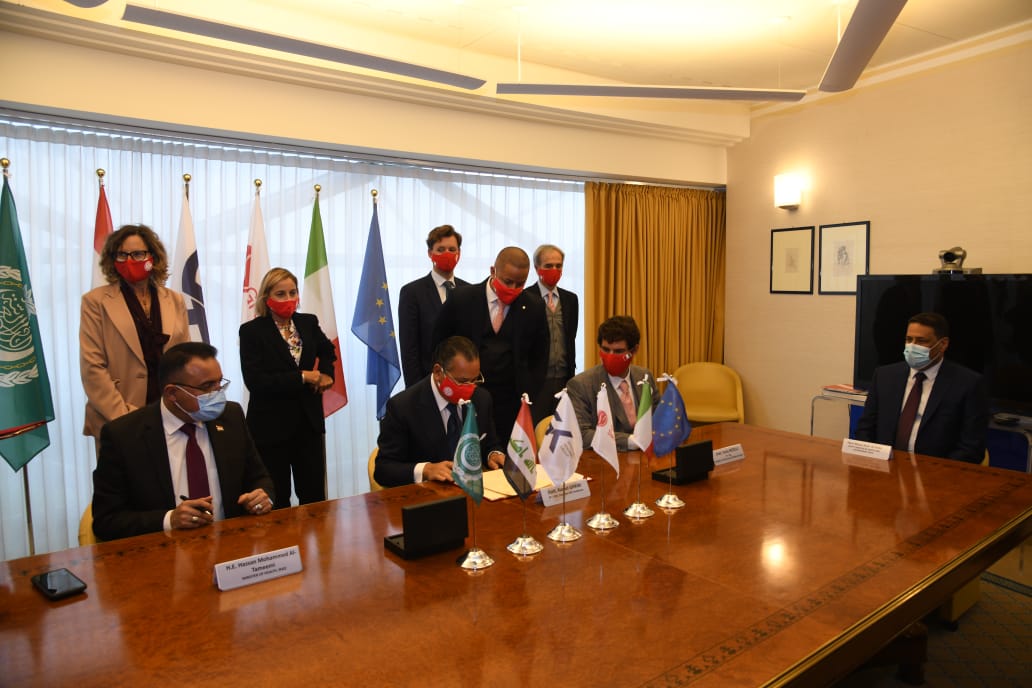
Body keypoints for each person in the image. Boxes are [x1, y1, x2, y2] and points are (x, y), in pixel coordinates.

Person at [92, 342, 274, 541]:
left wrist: (262, 496)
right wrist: (170, 519)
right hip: (164, 552)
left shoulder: (231, 417)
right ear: (172, 393)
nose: (218, 393)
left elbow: (259, 477)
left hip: (230, 546)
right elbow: (106, 521)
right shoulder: (123, 436)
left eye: (219, 383)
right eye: (207, 387)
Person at [80, 224, 191, 446]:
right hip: (116, 418)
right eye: (122, 254)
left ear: (153, 257)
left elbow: (183, 359)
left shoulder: (174, 300)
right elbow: (92, 368)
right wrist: (127, 418)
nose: (130, 260)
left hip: (168, 415)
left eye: (138, 254)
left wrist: (177, 409)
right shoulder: (95, 301)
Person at [239, 267, 336, 507]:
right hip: (271, 428)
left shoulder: (308, 322)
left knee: (314, 496)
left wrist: (326, 374)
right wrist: (302, 377)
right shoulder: (252, 331)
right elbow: (256, 381)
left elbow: (328, 350)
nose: (289, 299)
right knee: (277, 497)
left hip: (308, 424)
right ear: (266, 298)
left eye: (293, 292)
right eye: (281, 294)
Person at [431, 246, 548, 435]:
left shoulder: (534, 306)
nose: (513, 289)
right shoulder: (462, 299)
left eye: (520, 283)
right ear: (493, 271)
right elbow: (438, 344)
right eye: (507, 281)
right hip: (466, 396)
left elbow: (541, 356)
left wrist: (529, 391)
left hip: (511, 402)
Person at [855, 312, 989, 463]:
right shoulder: (884, 376)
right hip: (884, 466)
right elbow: (865, 429)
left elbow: (971, 448)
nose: (912, 346)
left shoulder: (968, 383)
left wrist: (932, 471)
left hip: (936, 471)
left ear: (943, 344)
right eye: (909, 339)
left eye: (921, 341)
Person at [374, 336, 505, 487]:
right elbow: (383, 469)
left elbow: (490, 444)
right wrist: (426, 470)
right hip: (428, 495)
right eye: (462, 382)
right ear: (438, 372)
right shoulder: (402, 407)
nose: (469, 389)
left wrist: (493, 454)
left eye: (474, 380)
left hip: (472, 492)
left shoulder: (481, 399)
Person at [567, 315, 658, 451]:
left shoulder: (644, 376)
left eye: (618, 351)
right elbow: (582, 434)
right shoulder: (580, 385)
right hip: (603, 459)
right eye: (605, 350)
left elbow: (658, 418)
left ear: (634, 350)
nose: (610, 356)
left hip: (645, 457)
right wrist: (629, 441)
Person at [399, 224, 470, 387]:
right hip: (427, 382)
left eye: (452, 250)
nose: (447, 254)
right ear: (430, 253)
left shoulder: (469, 291)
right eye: (441, 249)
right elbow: (409, 349)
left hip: (463, 382)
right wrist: (416, 390)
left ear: (459, 253)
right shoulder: (412, 292)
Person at [524, 244, 579, 423]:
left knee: (562, 430)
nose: (554, 270)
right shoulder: (525, 298)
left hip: (564, 381)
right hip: (536, 383)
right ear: (537, 268)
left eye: (558, 265)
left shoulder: (570, 299)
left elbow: (571, 337)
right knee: (536, 429)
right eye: (548, 266)